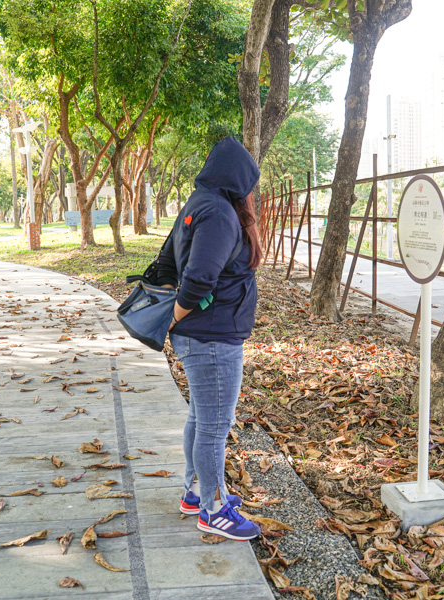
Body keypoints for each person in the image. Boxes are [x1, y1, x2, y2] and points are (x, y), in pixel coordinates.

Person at [156, 136, 262, 541]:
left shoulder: (198, 202)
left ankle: (196, 491)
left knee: (200, 419)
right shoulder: (219, 211)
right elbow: (199, 277)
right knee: (215, 426)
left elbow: (167, 260)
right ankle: (213, 510)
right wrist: (174, 317)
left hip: (203, 335)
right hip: (212, 337)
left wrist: (175, 321)